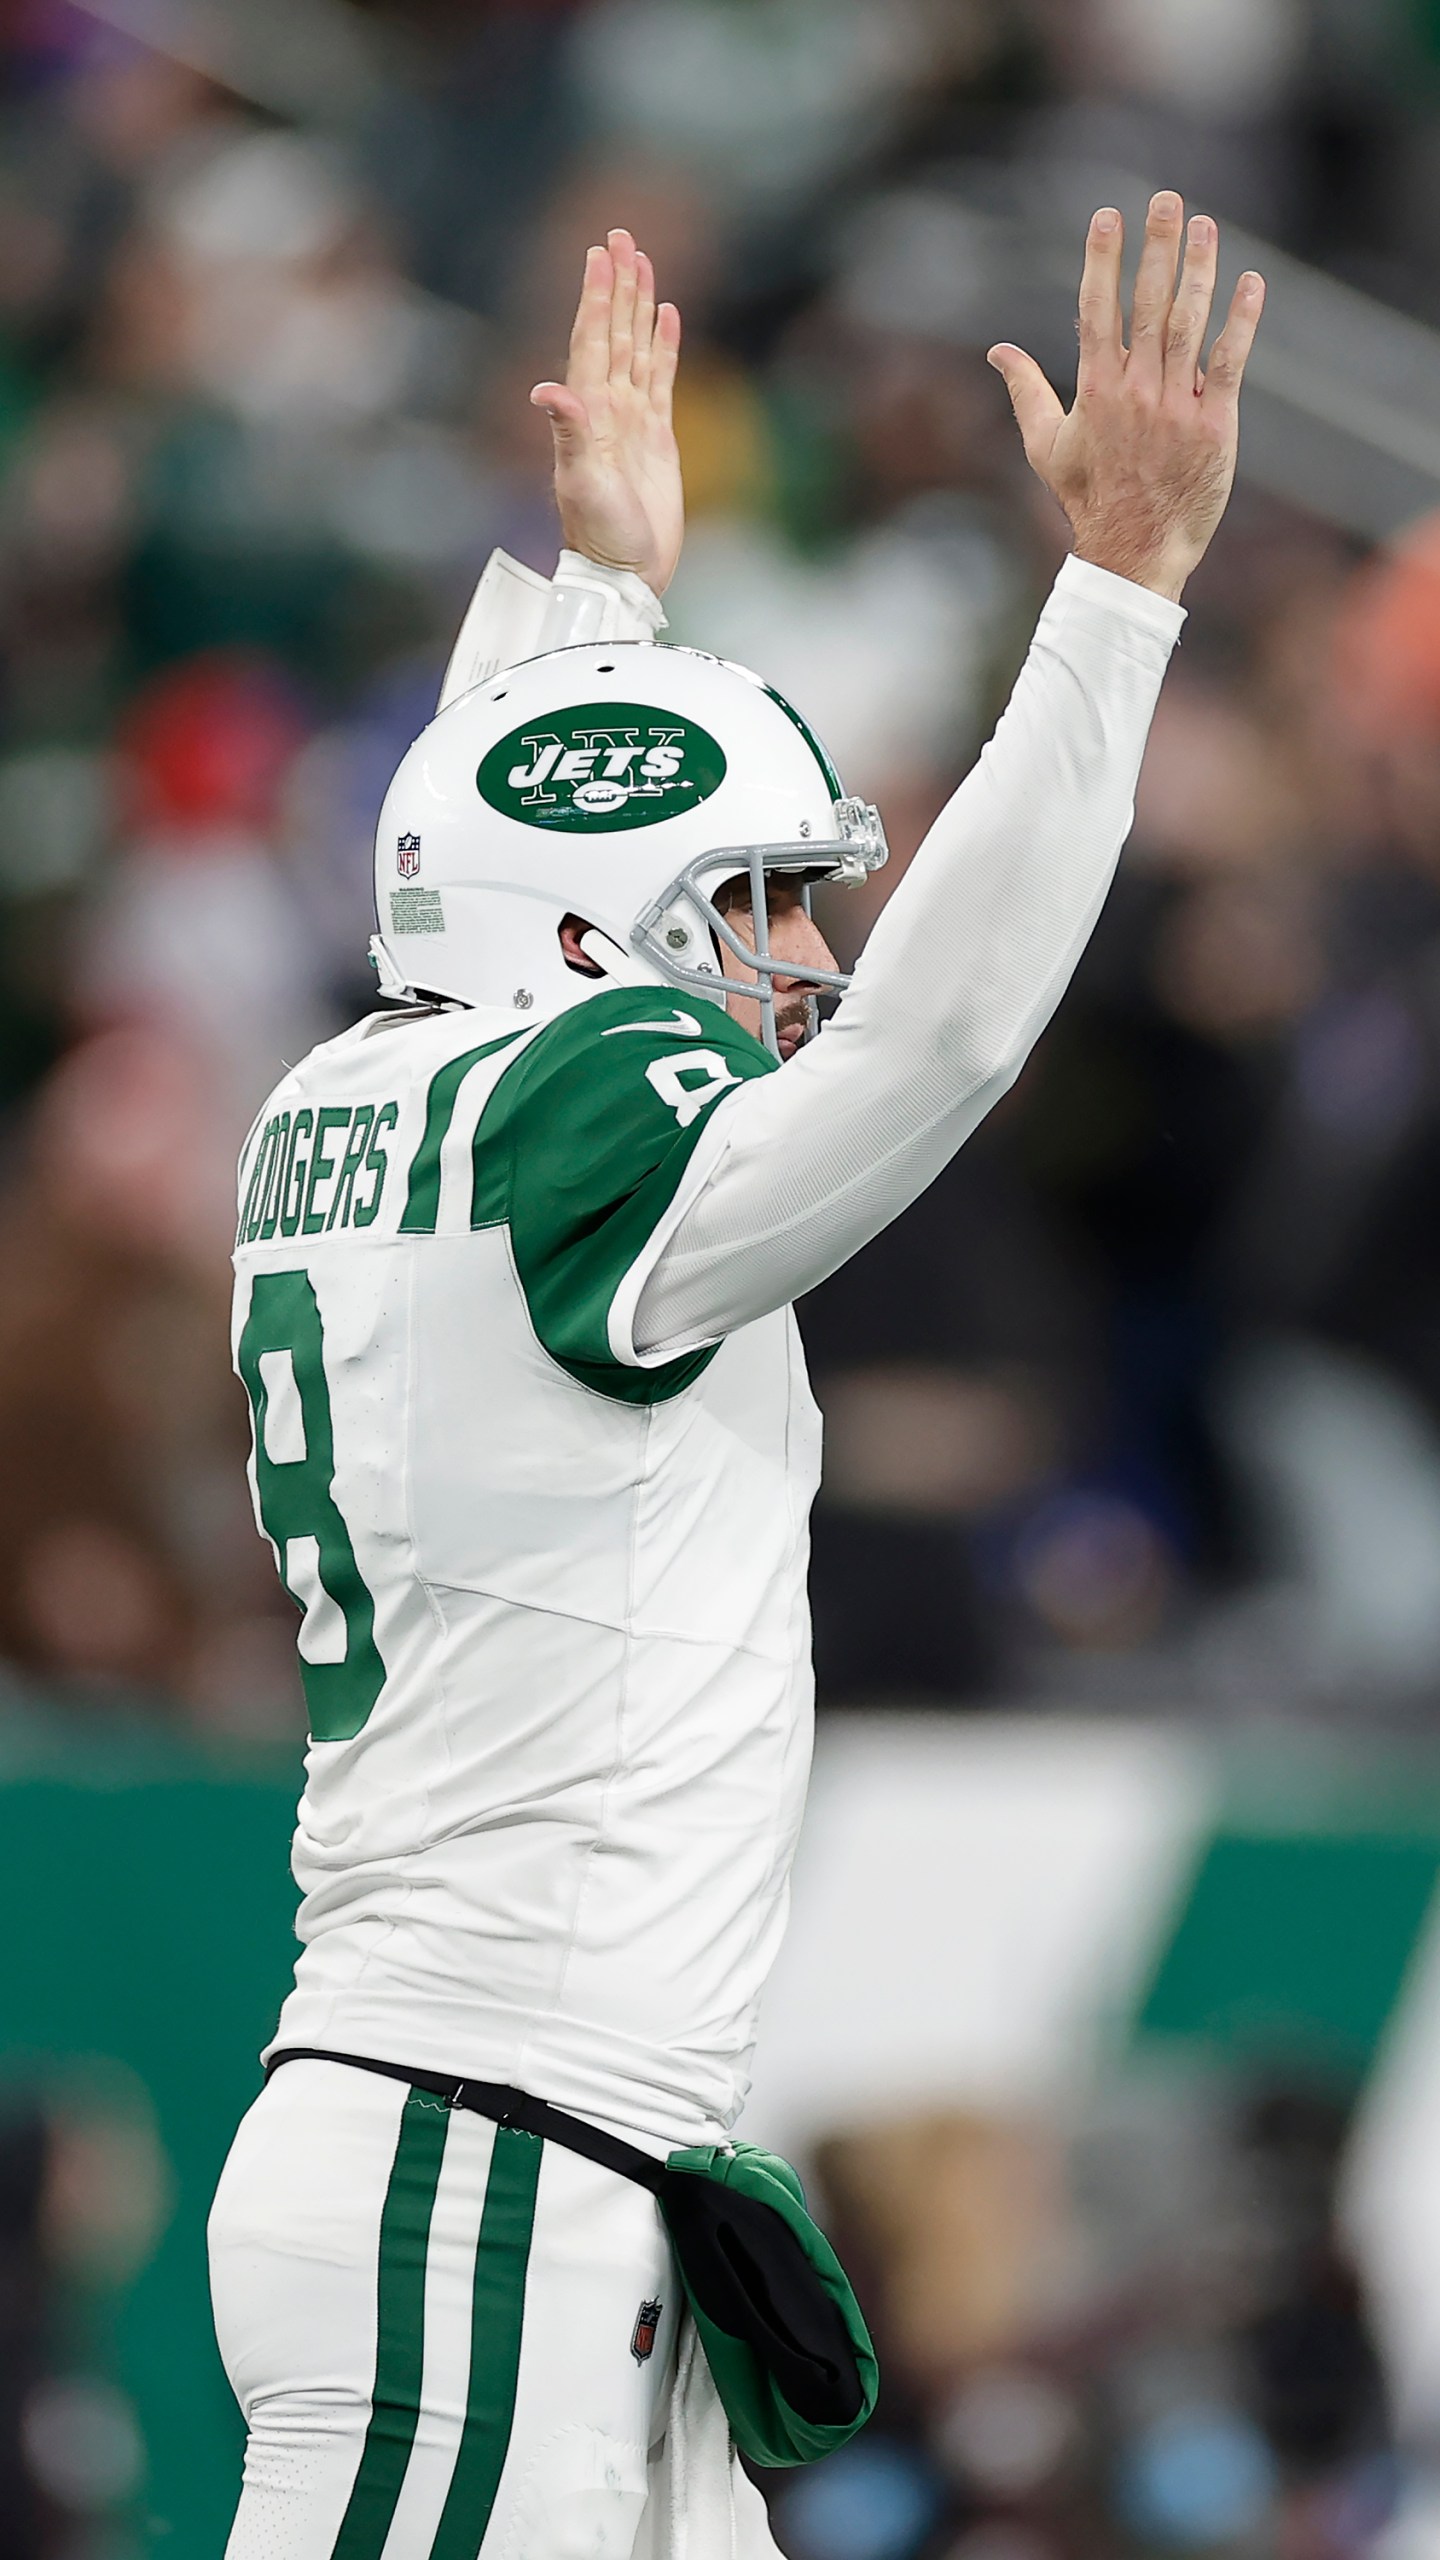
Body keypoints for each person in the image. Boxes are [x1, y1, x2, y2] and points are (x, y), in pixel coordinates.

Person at [208, 205, 1264, 2559]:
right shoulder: (565, 1127)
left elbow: (517, 890)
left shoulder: (376, 1097)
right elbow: (949, 1033)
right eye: (758, 904)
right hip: (489, 2163)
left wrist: (601, 612)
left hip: (532, 2164)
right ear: (600, 926)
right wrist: (1116, 598)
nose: (798, 962)